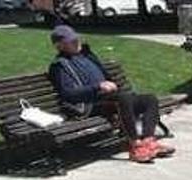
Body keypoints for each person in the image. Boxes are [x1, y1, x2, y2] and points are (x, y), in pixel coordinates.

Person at [48, 25, 175, 163]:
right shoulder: (60, 66)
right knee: (123, 99)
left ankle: (148, 141)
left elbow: (107, 77)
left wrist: (111, 84)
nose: (76, 42)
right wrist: (97, 86)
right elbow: (69, 94)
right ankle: (135, 146)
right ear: (59, 46)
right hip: (90, 105)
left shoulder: (87, 56)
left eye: (76, 38)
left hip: (110, 98)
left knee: (149, 99)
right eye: (70, 41)